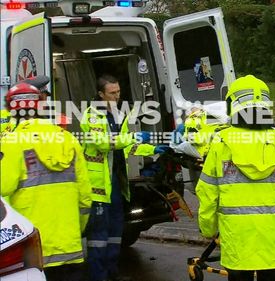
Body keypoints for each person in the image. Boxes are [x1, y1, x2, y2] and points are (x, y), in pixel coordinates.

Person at [196, 75, 275, 281]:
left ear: (232, 105)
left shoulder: (221, 143)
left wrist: (208, 229)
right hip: (274, 237)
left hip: (237, 239)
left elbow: (207, 191)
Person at [0, 82, 92, 281]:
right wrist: (77, 229)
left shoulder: (11, 143)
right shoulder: (69, 140)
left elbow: (3, 187)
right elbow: (85, 198)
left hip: (33, 248)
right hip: (70, 246)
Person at [81, 74, 168, 281]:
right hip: (99, 186)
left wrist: (151, 149)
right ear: (100, 94)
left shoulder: (118, 115)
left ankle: (112, 272)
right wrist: (133, 137)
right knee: (99, 237)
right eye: (112, 93)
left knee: (115, 232)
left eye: (118, 92)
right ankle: (98, 276)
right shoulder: (92, 115)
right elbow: (103, 142)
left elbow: (127, 146)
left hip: (117, 183)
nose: (117, 97)